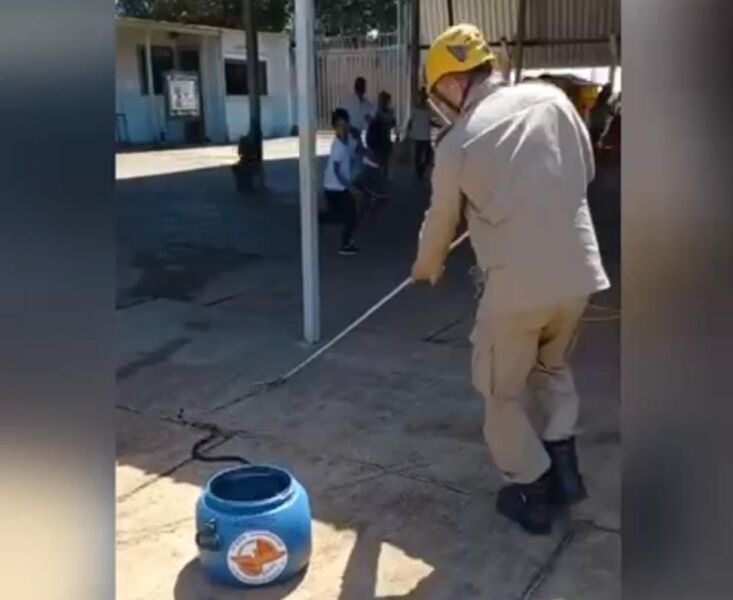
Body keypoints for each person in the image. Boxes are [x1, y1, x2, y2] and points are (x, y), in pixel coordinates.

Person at [410, 24, 610, 535]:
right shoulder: (551, 99)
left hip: (517, 290)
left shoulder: (456, 144)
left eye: (438, 95)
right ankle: (566, 468)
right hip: (579, 273)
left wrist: (426, 267)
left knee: (499, 391)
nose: (441, 105)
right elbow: (583, 171)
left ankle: (534, 488)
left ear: (453, 84)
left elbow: (440, 223)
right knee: (551, 366)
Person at [322, 108, 361, 256]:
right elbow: (337, 171)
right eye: (340, 125)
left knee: (347, 215)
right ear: (335, 127)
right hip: (334, 187)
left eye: (345, 124)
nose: (343, 127)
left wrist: (354, 132)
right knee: (346, 215)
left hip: (340, 186)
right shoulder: (336, 145)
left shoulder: (347, 141)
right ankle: (345, 244)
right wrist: (350, 187)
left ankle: (347, 242)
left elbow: (357, 147)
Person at [408, 87, 439, 179]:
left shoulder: (427, 109)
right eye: (421, 96)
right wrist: (408, 131)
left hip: (426, 136)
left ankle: (421, 169)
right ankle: (419, 173)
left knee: (428, 156)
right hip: (418, 136)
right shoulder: (414, 109)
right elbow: (410, 121)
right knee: (418, 155)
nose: (423, 98)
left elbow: (428, 120)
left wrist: (437, 125)